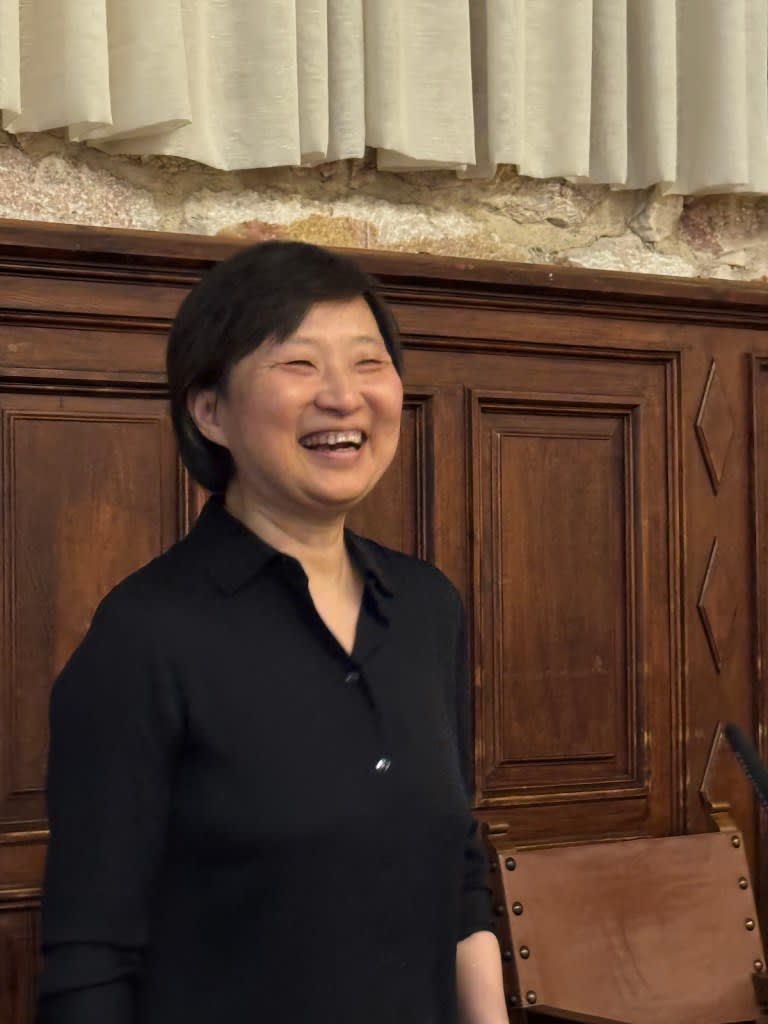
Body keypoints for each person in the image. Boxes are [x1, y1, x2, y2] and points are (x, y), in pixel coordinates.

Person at [36, 241, 509, 1024]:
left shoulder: (428, 608)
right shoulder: (147, 633)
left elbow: (457, 872)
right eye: (297, 365)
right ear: (210, 410)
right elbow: (91, 956)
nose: (343, 398)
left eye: (367, 362)